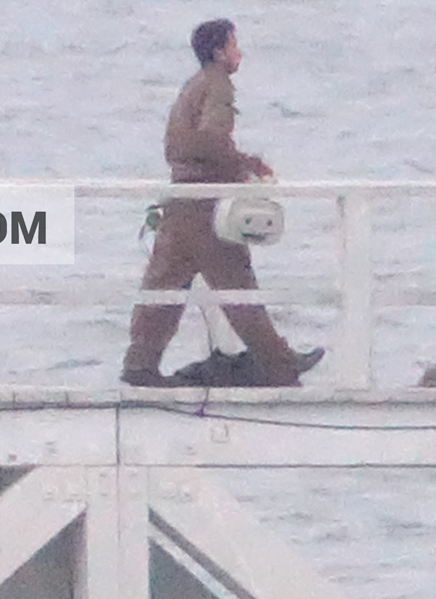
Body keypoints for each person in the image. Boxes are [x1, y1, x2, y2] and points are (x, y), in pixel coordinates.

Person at [121, 19, 324, 387]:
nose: (239, 52)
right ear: (218, 52)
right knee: (238, 286)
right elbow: (212, 141)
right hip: (205, 206)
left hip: (180, 200)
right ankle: (279, 365)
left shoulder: (193, 86)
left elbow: (179, 146)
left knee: (164, 284)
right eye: (234, 45)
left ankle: (140, 363)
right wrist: (243, 166)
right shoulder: (218, 86)